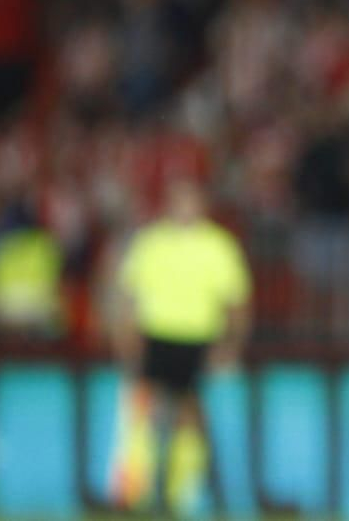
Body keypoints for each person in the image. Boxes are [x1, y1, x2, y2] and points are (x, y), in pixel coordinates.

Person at [110, 170, 252, 517]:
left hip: (200, 339)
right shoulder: (150, 243)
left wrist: (231, 345)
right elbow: (128, 296)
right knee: (159, 412)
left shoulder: (218, 245)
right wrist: (126, 339)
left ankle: (201, 484)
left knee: (193, 414)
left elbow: (238, 302)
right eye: (178, 198)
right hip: (159, 337)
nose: (184, 206)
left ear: (202, 204)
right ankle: (160, 486)